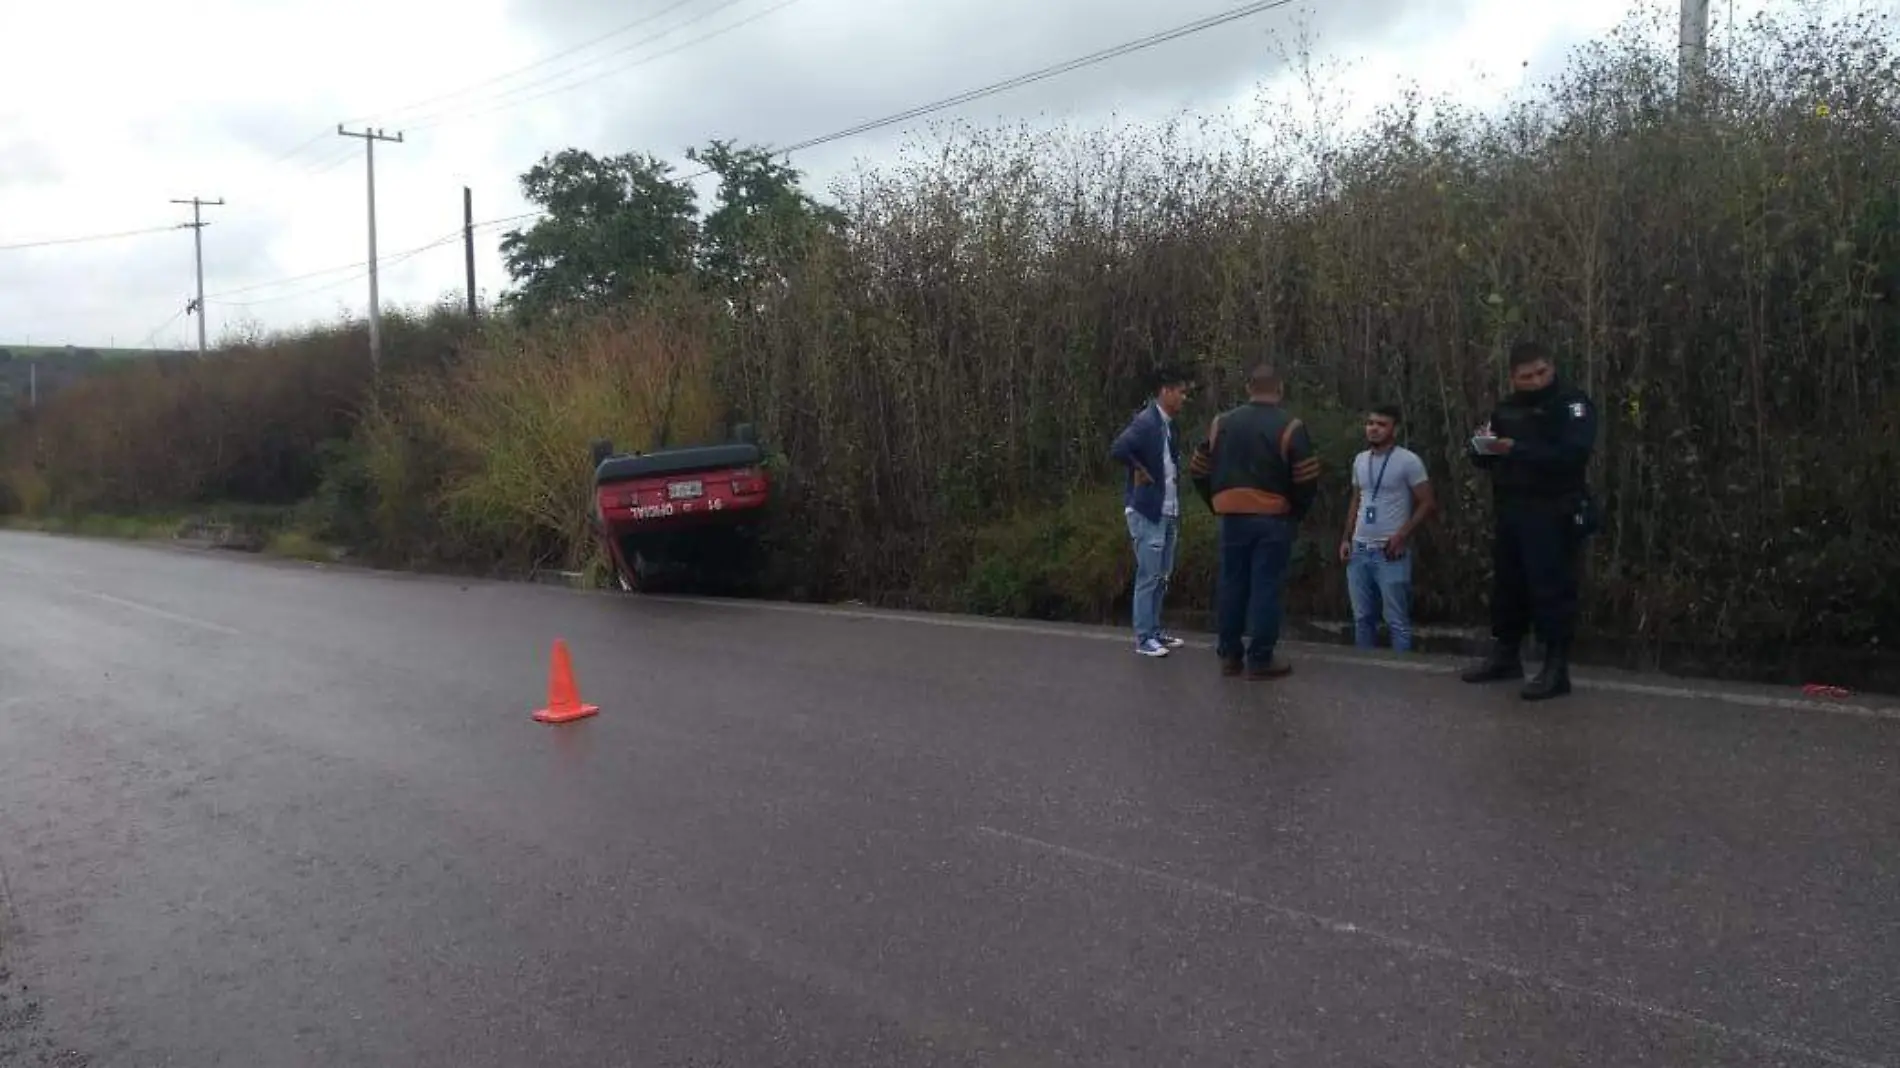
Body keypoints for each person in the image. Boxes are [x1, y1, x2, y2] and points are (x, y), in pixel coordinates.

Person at [1461, 340, 1599, 700]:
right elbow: (1482, 456)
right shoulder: (1506, 410)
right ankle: (1506, 655)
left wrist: (1515, 450)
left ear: (1552, 367)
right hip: (1511, 508)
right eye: (1527, 376)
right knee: (1508, 587)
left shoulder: (1571, 404)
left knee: (1551, 588)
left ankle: (1556, 668)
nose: (1537, 380)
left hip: (1554, 510)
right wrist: (1482, 445)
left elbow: (1573, 454)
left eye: (1542, 372)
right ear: (1513, 379)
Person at [1188, 363, 1320, 679]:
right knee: (1266, 586)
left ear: (1249, 388)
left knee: (1232, 584)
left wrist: (1216, 502)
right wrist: (1295, 513)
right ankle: (1260, 658)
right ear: (1280, 389)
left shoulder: (1221, 423)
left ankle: (1230, 656)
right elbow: (1307, 477)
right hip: (1274, 517)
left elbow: (1198, 468)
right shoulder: (1291, 426)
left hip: (1231, 516)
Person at [1337, 404, 1436, 652]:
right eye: (1370, 423)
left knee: (1396, 619)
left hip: (1389, 551)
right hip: (1359, 549)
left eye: (1381, 424)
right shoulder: (1360, 460)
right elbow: (1356, 500)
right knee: (1362, 618)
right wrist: (1346, 538)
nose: (1374, 429)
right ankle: (1365, 673)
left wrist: (1402, 535)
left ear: (1395, 429)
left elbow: (1427, 502)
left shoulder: (1408, 461)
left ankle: (1401, 676)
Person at [1109, 367, 1192, 658]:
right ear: (1165, 391)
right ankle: (1143, 638)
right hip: (1147, 511)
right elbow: (1119, 448)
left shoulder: (1170, 425)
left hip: (1167, 510)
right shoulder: (1146, 422)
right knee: (1148, 574)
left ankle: (1155, 630)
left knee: (1162, 575)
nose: (1184, 397)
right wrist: (1139, 469)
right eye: (1180, 392)